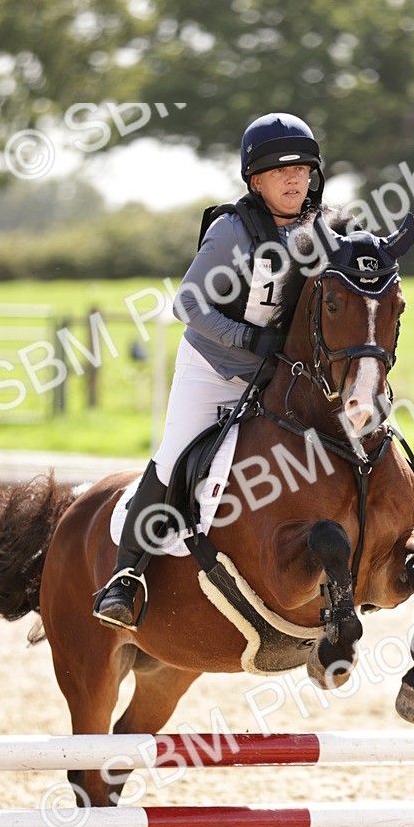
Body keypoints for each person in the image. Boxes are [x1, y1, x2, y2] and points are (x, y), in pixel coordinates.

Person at [93, 112, 326, 629]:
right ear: (256, 181)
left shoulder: (322, 232)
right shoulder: (233, 231)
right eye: (279, 171)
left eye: (302, 169)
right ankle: (126, 577)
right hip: (214, 366)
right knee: (176, 457)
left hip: (277, 375)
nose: (293, 179)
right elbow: (189, 304)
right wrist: (247, 339)